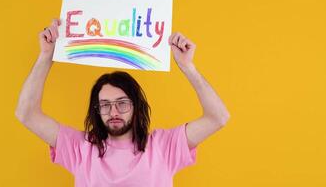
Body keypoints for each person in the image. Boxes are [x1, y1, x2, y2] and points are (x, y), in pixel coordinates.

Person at [15, 19, 230, 187]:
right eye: (105, 105)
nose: (114, 111)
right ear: (97, 111)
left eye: (122, 103)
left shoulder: (164, 146)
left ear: (136, 107)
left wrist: (187, 66)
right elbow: (26, 114)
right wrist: (46, 55)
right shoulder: (81, 148)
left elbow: (218, 117)